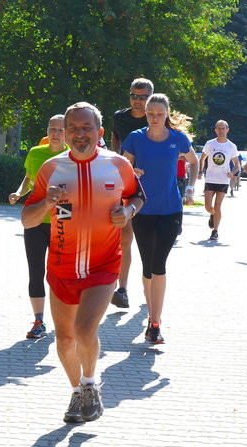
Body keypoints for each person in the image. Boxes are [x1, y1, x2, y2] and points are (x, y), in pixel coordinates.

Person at [22, 102, 144, 423]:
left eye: (86, 128)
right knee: (64, 339)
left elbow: (137, 196)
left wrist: (127, 212)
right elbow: (27, 219)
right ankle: (77, 392)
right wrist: (47, 202)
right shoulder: (51, 168)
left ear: (99, 132)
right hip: (62, 267)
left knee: (84, 328)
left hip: (103, 265)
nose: (79, 134)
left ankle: (91, 384)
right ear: (65, 132)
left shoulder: (117, 166)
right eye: (72, 128)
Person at [121, 93, 199, 344]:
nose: (155, 118)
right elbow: (122, 166)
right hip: (142, 209)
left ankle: (155, 322)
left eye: (159, 113)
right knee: (147, 266)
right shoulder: (135, 138)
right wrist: (131, 171)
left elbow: (195, 161)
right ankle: (152, 316)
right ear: (145, 113)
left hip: (170, 209)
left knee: (159, 265)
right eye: (150, 113)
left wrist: (190, 188)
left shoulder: (178, 139)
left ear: (167, 114)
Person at [9, 115, 68, 339]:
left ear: (66, 133)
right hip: (35, 218)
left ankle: (64, 320)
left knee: (59, 274)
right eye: (52, 128)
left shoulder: (71, 156)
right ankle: (39, 320)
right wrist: (18, 193)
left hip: (62, 220)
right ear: (47, 130)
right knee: (36, 271)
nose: (55, 133)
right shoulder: (35, 153)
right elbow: (28, 179)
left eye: (60, 130)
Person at [108, 78, 154, 309]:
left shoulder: (156, 117)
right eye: (134, 95)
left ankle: (152, 285)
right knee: (126, 238)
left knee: (149, 242)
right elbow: (115, 143)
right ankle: (122, 289)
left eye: (143, 96)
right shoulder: (119, 117)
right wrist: (121, 165)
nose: (138, 100)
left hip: (152, 185)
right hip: (126, 182)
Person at [198, 120, 240, 240]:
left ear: (227, 130)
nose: (221, 131)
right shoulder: (210, 144)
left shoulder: (231, 146)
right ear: (215, 130)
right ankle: (212, 214)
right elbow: (202, 159)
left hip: (223, 179)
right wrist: (201, 172)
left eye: (223, 128)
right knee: (207, 206)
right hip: (210, 178)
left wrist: (232, 173)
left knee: (217, 206)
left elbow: (237, 164)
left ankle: (215, 231)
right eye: (219, 129)